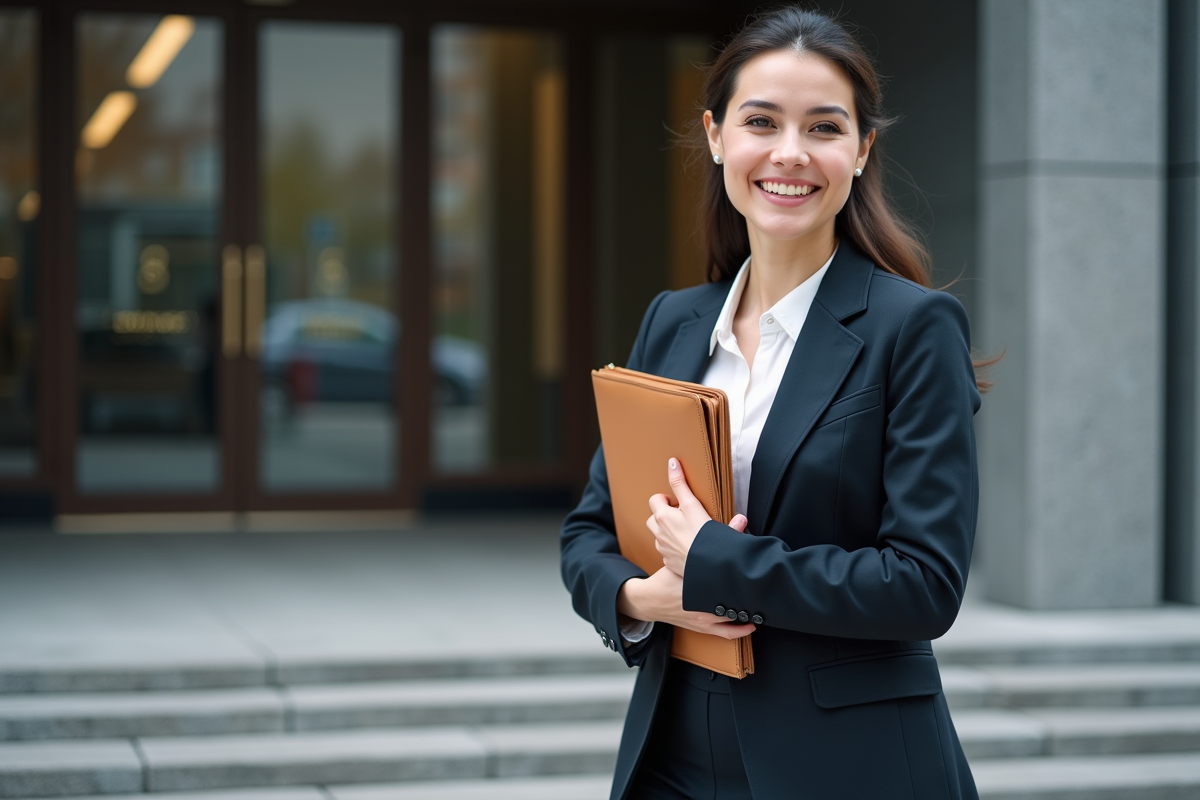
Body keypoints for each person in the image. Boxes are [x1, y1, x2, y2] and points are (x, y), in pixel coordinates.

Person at [560, 6, 984, 800]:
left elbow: (926, 583)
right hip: (672, 752)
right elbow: (589, 528)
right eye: (762, 122)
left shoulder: (914, 329)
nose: (790, 153)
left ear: (861, 151)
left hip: (849, 764)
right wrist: (639, 597)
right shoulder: (674, 320)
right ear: (718, 136)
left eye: (824, 128)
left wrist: (717, 564)